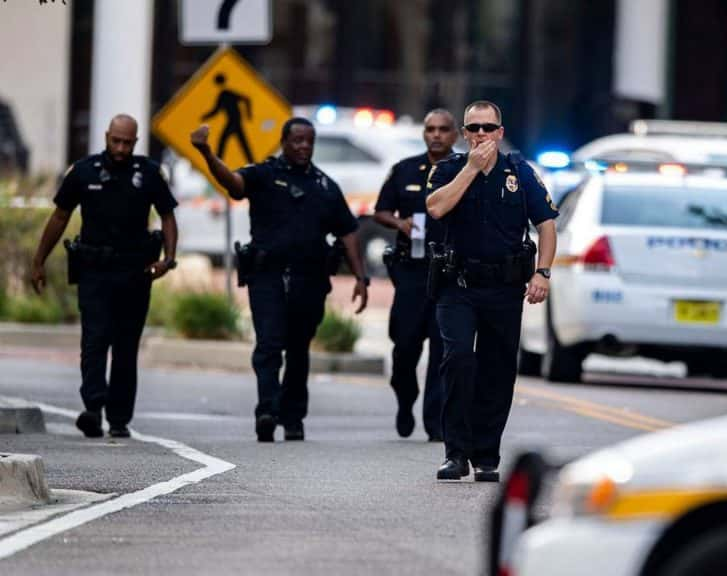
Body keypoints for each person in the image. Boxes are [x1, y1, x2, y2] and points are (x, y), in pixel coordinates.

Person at [190, 117, 369, 443]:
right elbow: (233, 184)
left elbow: (349, 232)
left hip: (310, 279)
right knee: (269, 345)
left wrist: (361, 277)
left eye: (308, 141)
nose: (303, 146)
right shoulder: (264, 174)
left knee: (298, 349)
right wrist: (206, 153)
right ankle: (267, 411)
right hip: (267, 275)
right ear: (284, 142)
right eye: (297, 140)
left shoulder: (325, 186)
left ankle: (293, 416)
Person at [425, 101, 558, 482]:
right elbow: (435, 209)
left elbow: (546, 225)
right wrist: (470, 169)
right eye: (473, 128)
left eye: (488, 127)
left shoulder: (519, 172)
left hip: (503, 288)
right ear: (464, 134)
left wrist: (543, 273)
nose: (481, 134)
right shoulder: (449, 169)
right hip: (458, 287)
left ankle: (486, 455)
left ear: (500, 132)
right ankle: (455, 453)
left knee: (497, 371)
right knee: (459, 359)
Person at [31, 114, 178, 439]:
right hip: (94, 270)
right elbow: (59, 216)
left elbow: (167, 215)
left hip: (135, 272)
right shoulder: (84, 171)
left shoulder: (149, 173)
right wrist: (39, 260)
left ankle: (120, 417)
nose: (122, 148)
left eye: (128, 143)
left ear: (135, 142)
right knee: (94, 340)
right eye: (116, 141)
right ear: (107, 136)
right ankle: (93, 408)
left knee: (126, 346)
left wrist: (168, 259)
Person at [373, 109, 457, 442]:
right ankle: (405, 400)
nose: (436, 135)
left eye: (443, 130)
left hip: (448, 273)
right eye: (430, 129)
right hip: (411, 272)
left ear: (455, 135)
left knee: (442, 350)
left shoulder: (465, 171)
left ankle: (434, 422)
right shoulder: (405, 169)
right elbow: (380, 211)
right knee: (404, 347)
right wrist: (399, 223)